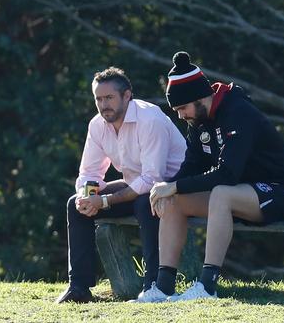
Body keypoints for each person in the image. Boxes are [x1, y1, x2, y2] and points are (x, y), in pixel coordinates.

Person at [136, 51, 284, 302]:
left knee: (220, 193)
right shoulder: (199, 121)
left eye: (182, 108)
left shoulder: (239, 112)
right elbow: (192, 165)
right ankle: (163, 287)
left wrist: (174, 185)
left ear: (199, 98)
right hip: (243, 194)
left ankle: (207, 287)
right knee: (174, 200)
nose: (181, 115)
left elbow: (227, 174)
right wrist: (171, 188)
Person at [55, 67, 186, 303]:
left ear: (127, 96)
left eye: (109, 98)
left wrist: (103, 201)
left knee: (147, 203)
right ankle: (79, 288)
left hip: (174, 189)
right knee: (76, 204)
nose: (104, 105)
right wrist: (89, 197)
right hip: (138, 186)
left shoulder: (150, 119)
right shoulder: (97, 125)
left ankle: (154, 286)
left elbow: (152, 180)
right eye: (98, 99)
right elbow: (89, 172)